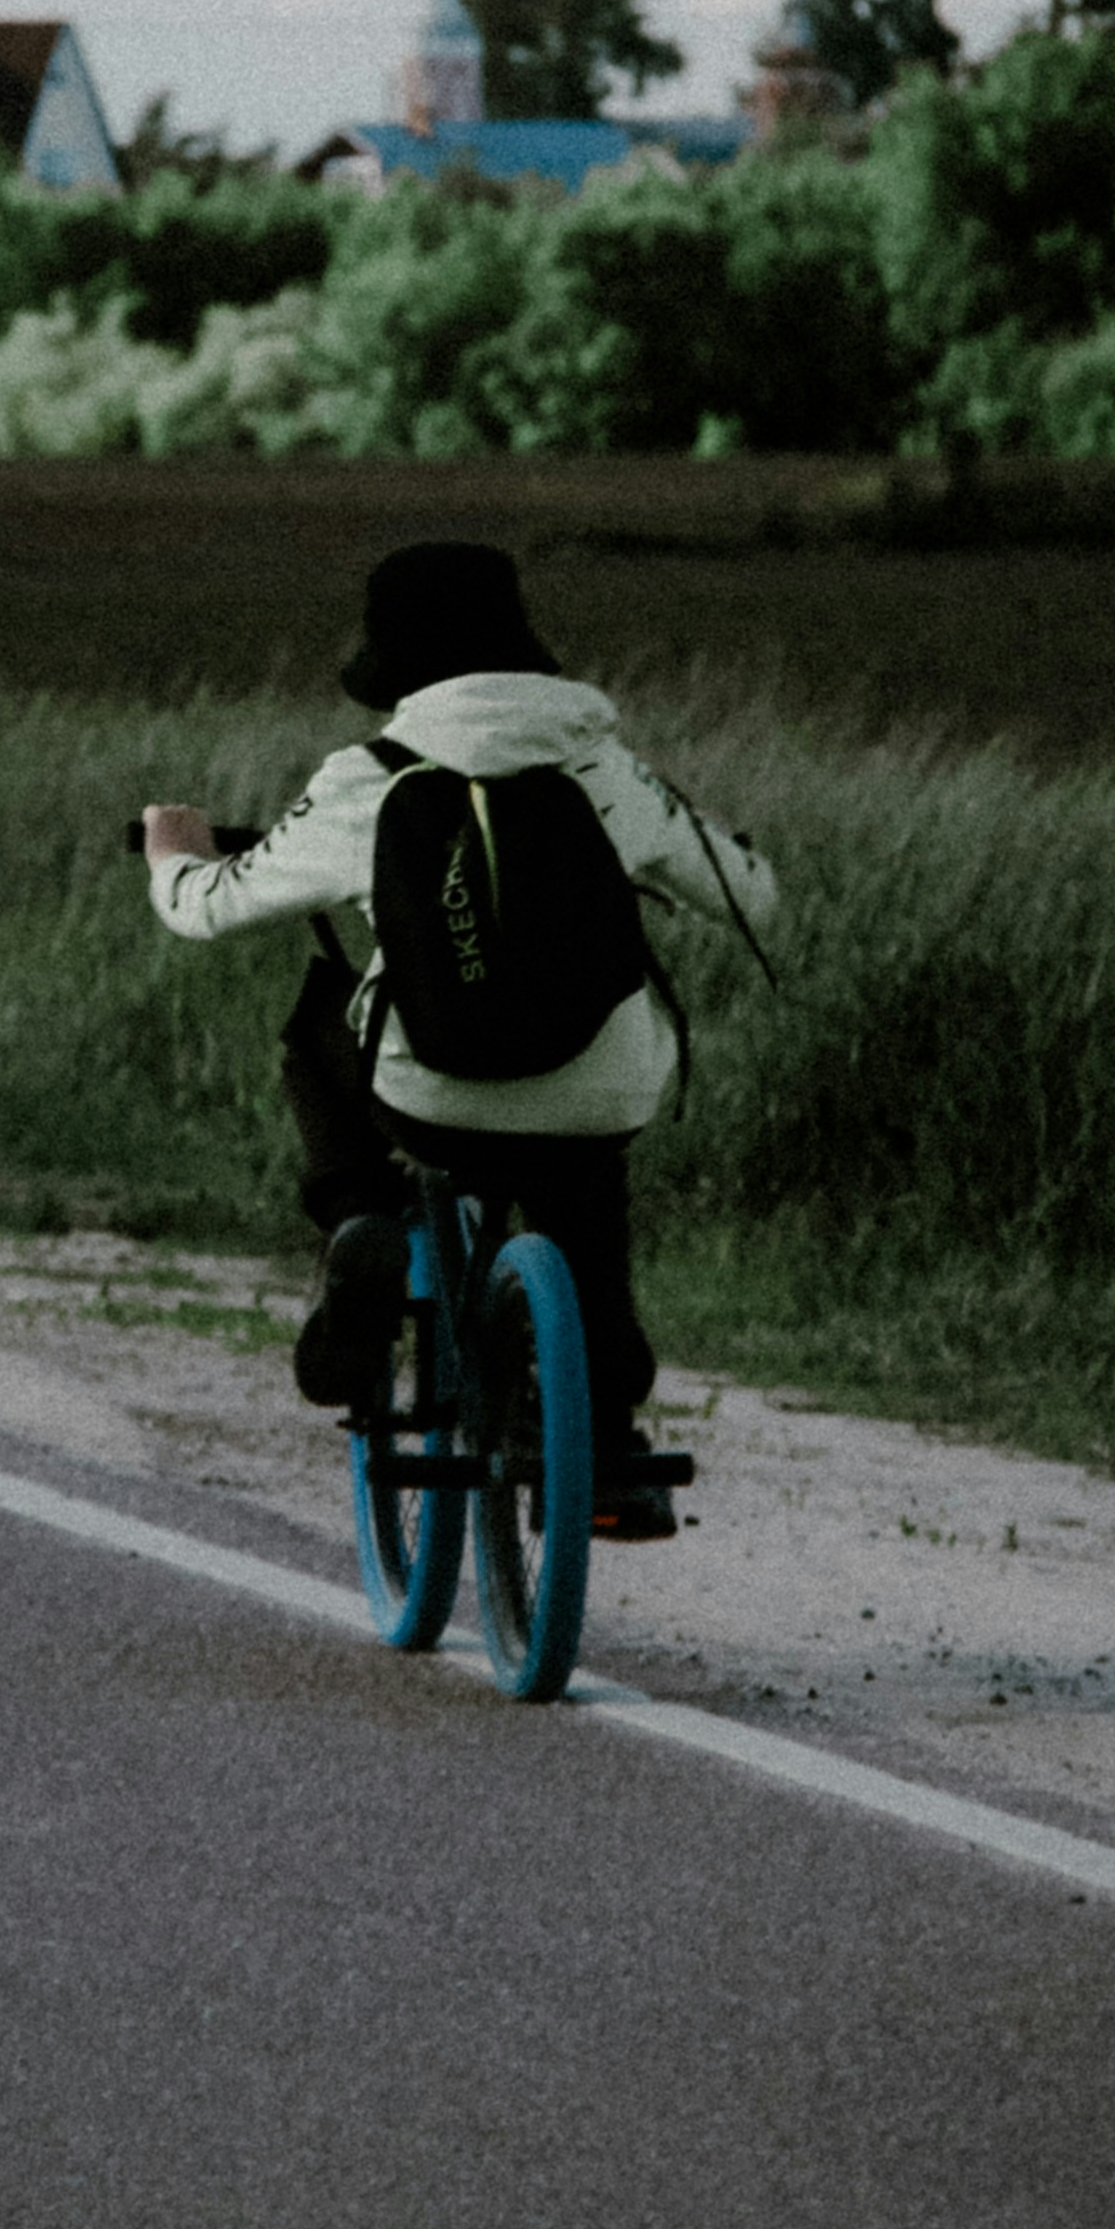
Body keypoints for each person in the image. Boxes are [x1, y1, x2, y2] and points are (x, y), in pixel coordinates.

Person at [138, 538, 776, 1542]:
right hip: (595, 1090)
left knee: (317, 1025)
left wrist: (173, 853)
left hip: (428, 1095)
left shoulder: (368, 777)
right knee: (582, 1186)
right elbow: (754, 898)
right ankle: (603, 1440)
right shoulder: (603, 767)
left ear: (393, 660)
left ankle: (360, 1219)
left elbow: (210, 908)